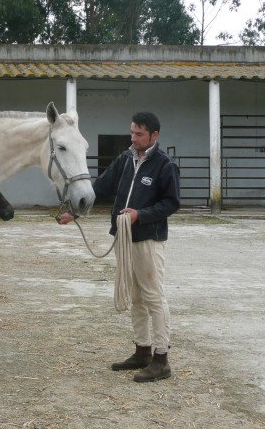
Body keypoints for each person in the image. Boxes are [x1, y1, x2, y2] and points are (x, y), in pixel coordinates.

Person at [58, 112, 180, 382]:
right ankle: (142, 351)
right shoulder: (125, 160)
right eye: (132, 133)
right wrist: (74, 212)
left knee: (153, 296)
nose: (134, 138)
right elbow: (100, 187)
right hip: (124, 238)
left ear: (154, 136)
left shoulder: (164, 165)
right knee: (135, 296)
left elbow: (171, 203)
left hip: (148, 239)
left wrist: (140, 215)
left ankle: (162, 359)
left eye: (139, 134)